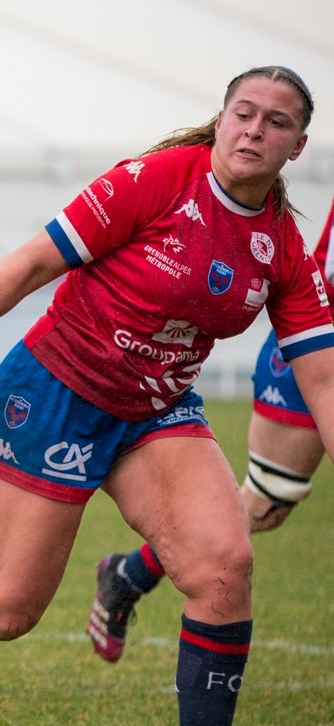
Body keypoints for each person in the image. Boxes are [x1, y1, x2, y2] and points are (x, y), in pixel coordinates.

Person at [0, 66, 332, 726]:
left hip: (155, 411)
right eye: (243, 113)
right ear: (220, 120)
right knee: (5, 611)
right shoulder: (154, 181)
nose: (254, 130)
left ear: (298, 145)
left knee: (224, 564)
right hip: (54, 392)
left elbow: (324, 381)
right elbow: (35, 261)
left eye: (275, 122)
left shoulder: (283, 247)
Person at [87, 191, 334, 662]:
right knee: (266, 502)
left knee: (263, 508)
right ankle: (127, 576)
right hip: (316, 351)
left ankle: (128, 575)